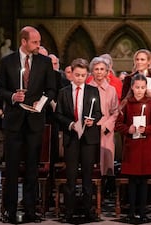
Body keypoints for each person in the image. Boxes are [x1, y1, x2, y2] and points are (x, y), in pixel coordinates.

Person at [0, 26, 56, 224]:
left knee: (32, 168)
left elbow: (51, 89)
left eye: (39, 42)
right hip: (13, 122)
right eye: (35, 42)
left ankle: (30, 210)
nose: (39, 45)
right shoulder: (7, 62)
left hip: (35, 121)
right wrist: (12, 96)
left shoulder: (44, 62)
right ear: (24, 41)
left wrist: (42, 103)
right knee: (11, 168)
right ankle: (9, 211)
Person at [55, 58, 102, 223]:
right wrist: (70, 124)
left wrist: (92, 120)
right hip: (71, 138)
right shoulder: (64, 92)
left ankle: (89, 210)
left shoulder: (92, 91)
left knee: (88, 176)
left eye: (83, 75)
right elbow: (58, 114)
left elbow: (98, 112)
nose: (80, 78)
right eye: (77, 75)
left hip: (88, 138)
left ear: (87, 75)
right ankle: (69, 211)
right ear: (71, 74)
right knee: (71, 176)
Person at [115, 74, 151, 222]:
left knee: (144, 182)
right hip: (132, 147)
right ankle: (131, 213)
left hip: (146, 147)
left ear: (146, 88)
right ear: (132, 87)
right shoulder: (126, 103)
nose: (140, 90)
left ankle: (142, 212)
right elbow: (118, 125)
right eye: (137, 87)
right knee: (132, 182)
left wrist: (145, 129)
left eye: (143, 87)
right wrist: (129, 129)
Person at [87, 56, 119, 196]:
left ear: (107, 72)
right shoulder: (88, 89)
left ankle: (105, 191)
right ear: (92, 72)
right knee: (92, 161)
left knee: (106, 161)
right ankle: (92, 191)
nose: (99, 72)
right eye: (96, 69)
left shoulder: (111, 90)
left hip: (106, 130)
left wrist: (107, 124)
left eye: (102, 69)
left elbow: (115, 111)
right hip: (91, 128)